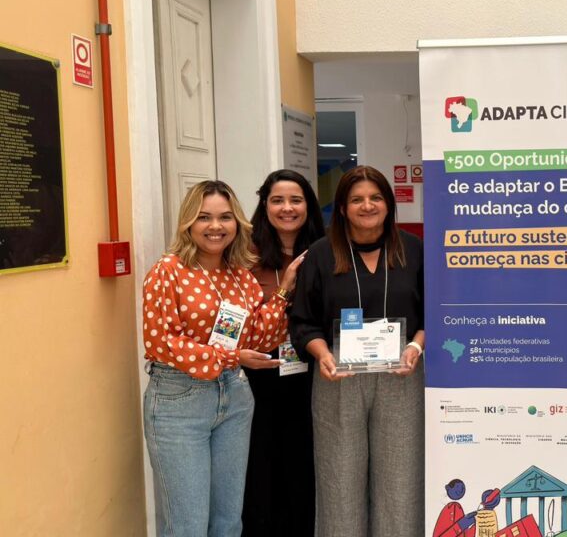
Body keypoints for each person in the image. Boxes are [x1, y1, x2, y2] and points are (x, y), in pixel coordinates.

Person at [141, 180, 302, 537]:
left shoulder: (239, 276)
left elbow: (259, 336)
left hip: (235, 398)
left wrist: (284, 289)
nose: (215, 226)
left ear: (237, 223)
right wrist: (231, 356)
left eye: (225, 217)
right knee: (188, 525)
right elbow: (162, 342)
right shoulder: (168, 271)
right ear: (188, 223)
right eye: (204, 217)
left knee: (229, 522)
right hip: (180, 401)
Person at [289, 165, 425, 536]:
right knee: (339, 479)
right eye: (357, 199)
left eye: (376, 197)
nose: (367, 206)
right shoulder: (320, 254)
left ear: (389, 203)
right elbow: (303, 322)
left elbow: (434, 312)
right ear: (343, 207)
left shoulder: (413, 249)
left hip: (402, 371)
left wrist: (416, 345)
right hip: (338, 373)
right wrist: (322, 354)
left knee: (400, 479)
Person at [241, 170, 325, 536]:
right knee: (261, 467)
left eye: (296, 200)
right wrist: (285, 288)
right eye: (277, 200)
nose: (287, 208)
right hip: (259, 375)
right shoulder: (244, 255)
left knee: (305, 466)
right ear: (265, 206)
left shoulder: (326, 250)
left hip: (313, 373)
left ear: (308, 206)